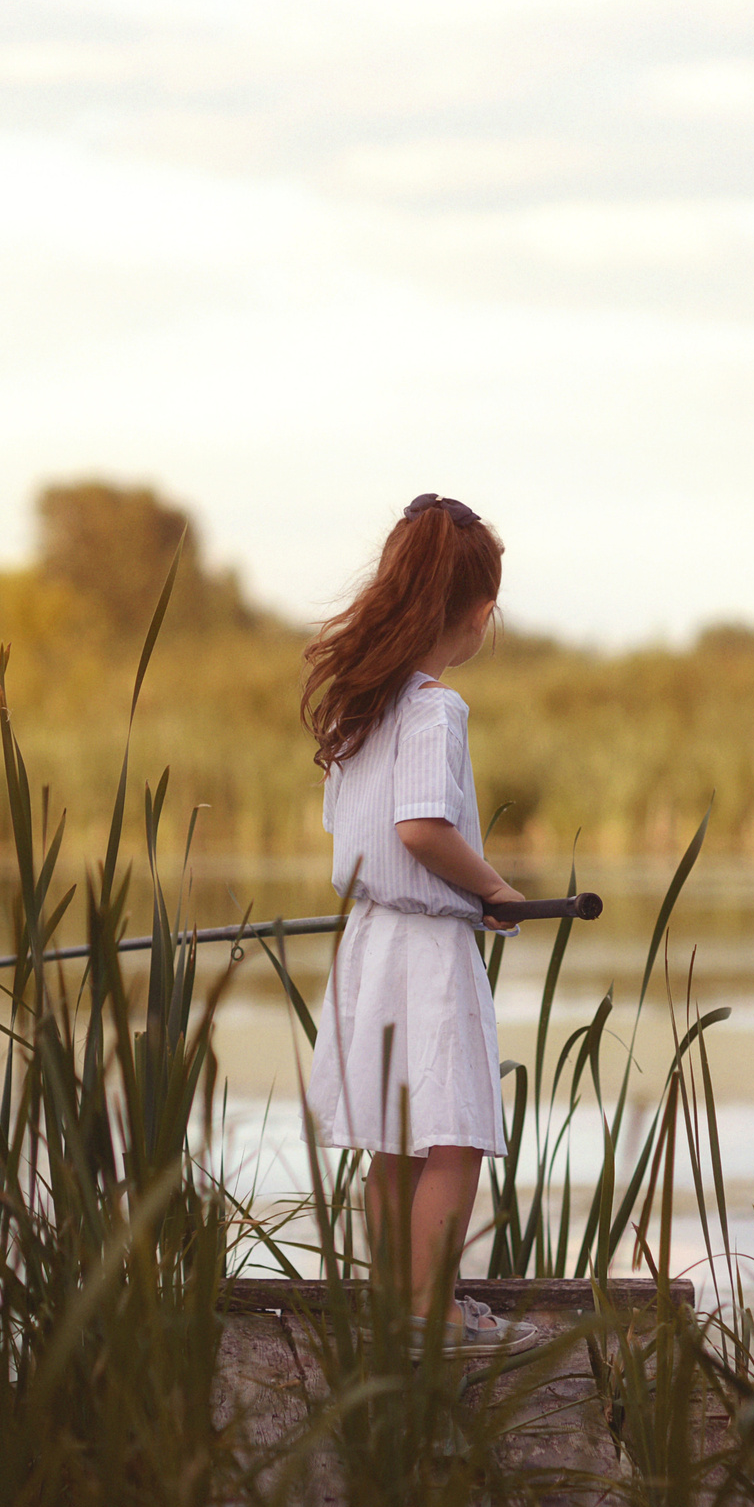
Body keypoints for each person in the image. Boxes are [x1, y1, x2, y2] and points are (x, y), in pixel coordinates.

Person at [301, 492, 544, 1358]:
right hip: (429, 946)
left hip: (370, 940)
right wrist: (497, 890)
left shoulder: (361, 700)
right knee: (454, 1134)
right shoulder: (435, 706)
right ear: (480, 615)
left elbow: (371, 834)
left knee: (393, 1139)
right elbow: (421, 827)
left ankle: (398, 1309)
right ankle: (434, 1319)